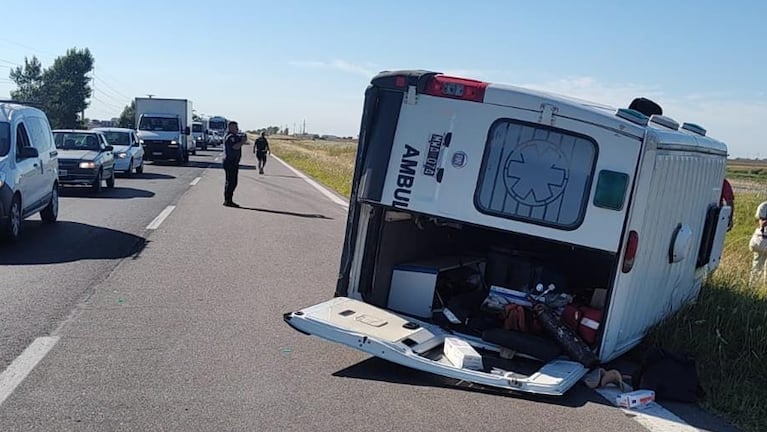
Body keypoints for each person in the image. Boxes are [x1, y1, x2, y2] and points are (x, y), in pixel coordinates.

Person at [222, 121, 247, 207]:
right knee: (231, 182)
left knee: (232, 182)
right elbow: (235, 146)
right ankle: (228, 200)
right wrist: (242, 142)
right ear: (230, 127)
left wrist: (243, 138)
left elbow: (240, 138)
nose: (237, 129)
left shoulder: (234, 136)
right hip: (230, 162)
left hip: (233, 162)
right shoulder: (230, 137)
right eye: (235, 127)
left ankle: (228, 200)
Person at [750, 198, 767, 286]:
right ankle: (753, 289)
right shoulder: (764, 206)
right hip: (763, 240)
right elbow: (761, 223)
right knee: (757, 268)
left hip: (763, 241)